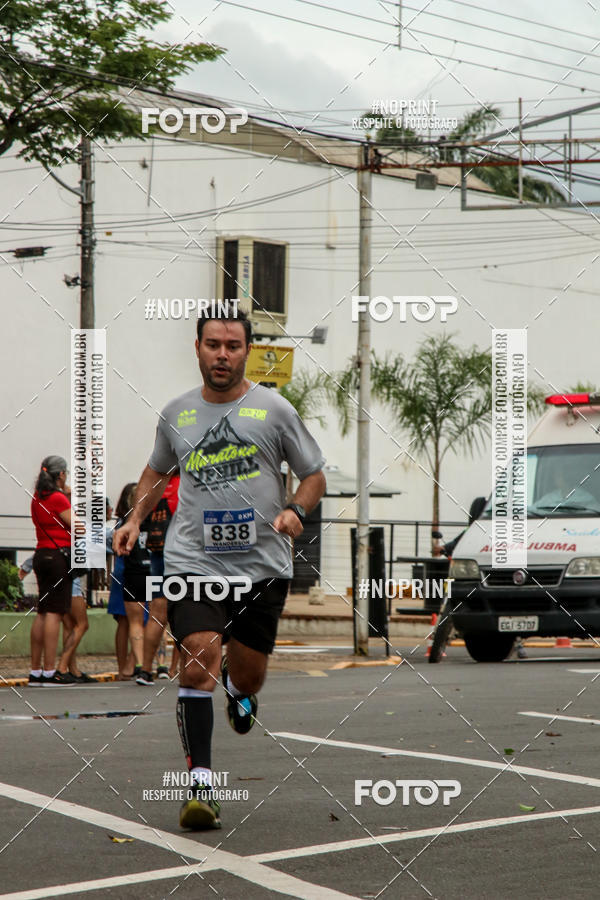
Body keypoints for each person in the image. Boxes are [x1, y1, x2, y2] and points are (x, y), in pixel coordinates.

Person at [114, 306, 326, 831]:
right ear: (198, 348)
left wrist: (296, 511)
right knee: (196, 659)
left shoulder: (274, 409)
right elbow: (156, 471)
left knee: (247, 675)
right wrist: (134, 519)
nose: (223, 354)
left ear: (246, 351)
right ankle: (201, 787)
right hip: (193, 560)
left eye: (233, 346)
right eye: (214, 345)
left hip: (261, 567)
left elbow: (313, 474)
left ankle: (240, 689)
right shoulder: (177, 413)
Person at [29, 455, 76, 685]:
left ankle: (35, 670)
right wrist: (69, 499)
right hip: (58, 556)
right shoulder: (58, 498)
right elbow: (78, 527)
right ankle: (50, 671)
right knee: (54, 613)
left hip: (40, 554)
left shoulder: (37, 498)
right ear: (60, 475)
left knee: (42, 610)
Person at [136, 472, 180, 685]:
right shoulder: (187, 484)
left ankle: (145, 670)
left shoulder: (157, 485)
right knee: (187, 610)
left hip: (157, 554)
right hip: (184, 555)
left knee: (156, 613)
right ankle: (180, 668)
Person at [113, 482, 151, 678]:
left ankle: (131, 665)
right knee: (145, 621)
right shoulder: (151, 519)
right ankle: (141, 666)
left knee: (128, 621)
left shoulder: (124, 523)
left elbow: (113, 546)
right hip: (147, 571)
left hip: (129, 571)